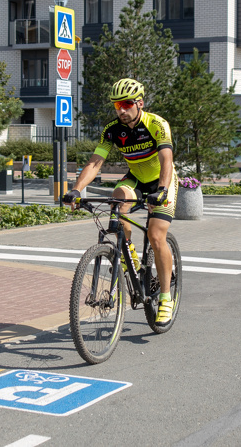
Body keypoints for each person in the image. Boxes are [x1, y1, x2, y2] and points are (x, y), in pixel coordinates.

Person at [63, 78, 179, 326]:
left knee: (157, 236)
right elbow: (95, 162)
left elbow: (167, 160)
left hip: (162, 181)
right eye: (117, 105)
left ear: (140, 103)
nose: (121, 110)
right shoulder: (112, 130)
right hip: (136, 178)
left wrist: (161, 190)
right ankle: (128, 254)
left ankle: (166, 298)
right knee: (117, 203)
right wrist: (76, 189)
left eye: (126, 104)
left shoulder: (157, 124)